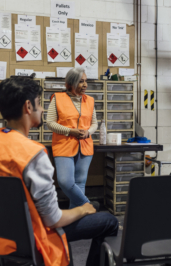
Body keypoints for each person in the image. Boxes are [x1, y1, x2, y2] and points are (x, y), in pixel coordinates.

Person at [0, 77, 118, 266]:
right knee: (109, 221)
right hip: (36, 234)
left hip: (6, 235)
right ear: (28, 107)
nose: (42, 110)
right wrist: (82, 209)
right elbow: (53, 219)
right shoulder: (34, 153)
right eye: (39, 104)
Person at [47, 67, 98, 209]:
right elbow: (50, 123)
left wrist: (88, 132)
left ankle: (78, 220)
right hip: (63, 144)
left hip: (85, 145)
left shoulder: (90, 100)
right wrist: (70, 131)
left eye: (86, 81)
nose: (85, 85)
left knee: (80, 182)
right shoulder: (57, 98)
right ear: (71, 83)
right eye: (81, 82)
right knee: (65, 182)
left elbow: (94, 123)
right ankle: (88, 206)